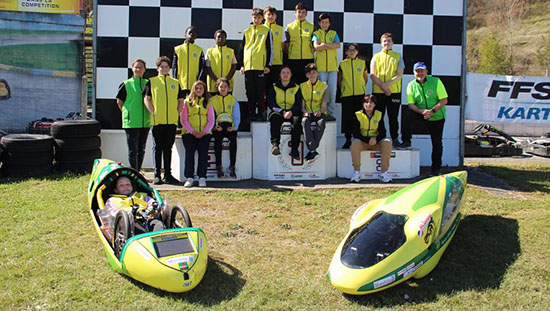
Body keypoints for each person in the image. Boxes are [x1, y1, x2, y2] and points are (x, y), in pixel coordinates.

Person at [400, 62, 448, 176]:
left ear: (426, 71)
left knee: (437, 143)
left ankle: (436, 169)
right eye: (417, 71)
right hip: (421, 113)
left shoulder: (436, 81)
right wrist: (423, 112)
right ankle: (406, 140)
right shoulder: (411, 85)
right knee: (407, 114)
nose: (420, 73)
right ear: (413, 73)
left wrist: (432, 111)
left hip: (436, 115)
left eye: (422, 71)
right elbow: (411, 104)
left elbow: (444, 100)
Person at [143, 56, 185, 185]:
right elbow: (146, 99)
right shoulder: (152, 81)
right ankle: (157, 175)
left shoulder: (176, 82)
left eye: (166, 67)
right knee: (157, 148)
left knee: (168, 148)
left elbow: (181, 100)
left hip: (171, 122)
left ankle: (168, 174)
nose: (164, 69)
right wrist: (153, 112)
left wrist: (177, 113)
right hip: (157, 121)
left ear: (169, 68)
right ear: (157, 68)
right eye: (162, 67)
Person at [115, 59, 154, 171]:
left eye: (141, 67)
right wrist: (128, 113)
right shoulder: (126, 84)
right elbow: (119, 101)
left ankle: (138, 171)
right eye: (136, 67)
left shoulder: (148, 83)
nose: (138, 69)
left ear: (144, 69)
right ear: (132, 68)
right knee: (133, 150)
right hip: (131, 122)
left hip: (145, 121)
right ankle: (134, 172)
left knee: (141, 149)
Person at [370, 32, 405, 147]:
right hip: (378, 92)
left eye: (389, 40)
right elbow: (372, 74)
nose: (387, 43)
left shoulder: (398, 56)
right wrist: (383, 87)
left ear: (393, 43)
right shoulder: (376, 56)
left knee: (393, 117)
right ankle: (381, 138)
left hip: (394, 92)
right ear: (381, 43)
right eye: (384, 41)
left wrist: (387, 85)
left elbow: (399, 74)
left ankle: (395, 138)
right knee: (378, 116)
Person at [238, 8, 273, 122]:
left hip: (260, 67)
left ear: (262, 18)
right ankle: (251, 113)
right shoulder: (246, 31)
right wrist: (242, 65)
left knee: (260, 92)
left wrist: (268, 65)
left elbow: (269, 49)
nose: (256, 20)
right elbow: (242, 49)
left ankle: (261, 113)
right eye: (254, 17)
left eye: (258, 17)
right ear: (252, 17)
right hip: (248, 67)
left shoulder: (266, 31)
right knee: (250, 91)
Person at [350, 95, 392, 183]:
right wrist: (367, 140)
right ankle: (356, 172)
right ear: (363, 104)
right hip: (363, 142)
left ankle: (384, 172)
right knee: (355, 143)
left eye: (371, 102)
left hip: (375, 142)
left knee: (387, 142)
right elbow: (355, 133)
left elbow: (383, 132)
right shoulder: (358, 115)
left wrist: (375, 139)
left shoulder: (379, 114)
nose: (368, 104)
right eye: (366, 102)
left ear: (374, 104)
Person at [180, 80, 215, 187]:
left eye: (201, 88)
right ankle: (189, 177)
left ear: (204, 90)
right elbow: (183, 119)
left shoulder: (208, 103)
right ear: (193, 90)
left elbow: (211, 119)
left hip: (205, 134)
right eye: (196, 88)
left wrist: (204, 132)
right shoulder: (187, 102)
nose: (199, 90)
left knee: (203, 155)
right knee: (189, 155)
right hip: (189, 133)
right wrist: (193, 132)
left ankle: (202, 177)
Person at [267, 65, 303, 160]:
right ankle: (275, 145)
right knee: (274, 118)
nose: (285, 74)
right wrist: (282, 111)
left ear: (291, 75)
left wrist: (291, 111)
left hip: (292, 112)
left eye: (288, 72)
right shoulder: (274, 87)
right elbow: (271, 103)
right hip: (279, 111)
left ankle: (294, 150)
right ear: (280, 75)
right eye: (283, 72)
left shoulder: (296, 87)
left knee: (297, 121)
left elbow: (298, 103)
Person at [338, 43, 369, 149]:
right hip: (347, 95)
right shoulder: (342, 64)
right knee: (347, 118)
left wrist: (360, 87)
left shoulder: (362, 63)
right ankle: (347, 139)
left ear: (357, 52)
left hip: (360, 95)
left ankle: (358, 139)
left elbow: (365, 78)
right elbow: (339, 79)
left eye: (354, 50)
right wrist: (345, 89)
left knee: (359, 117)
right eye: (349, 50)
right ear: (346, 52)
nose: (352, 52)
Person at [312, 13, 340, 121]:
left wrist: (325, 45)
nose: (324, 24)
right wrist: (329, 45)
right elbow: (316, 47)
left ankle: (330, 113)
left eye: (326, 22)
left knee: (332, 91)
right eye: (322, 22)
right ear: (319, 23)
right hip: (321, 68)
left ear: (330, 23)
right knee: (322, 91)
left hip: (332, 68)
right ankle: (322, 112)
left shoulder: (334, 33)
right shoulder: (316, 33)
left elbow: (338, 45)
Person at [210, 78, 240, 178]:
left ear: (229, 88)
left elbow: (236, 115)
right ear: (217, 87)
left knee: (233, 141)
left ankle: (232, 166)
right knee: (218, 141)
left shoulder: (233, 99)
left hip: (229, 126)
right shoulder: (212, 100)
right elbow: (210, 115)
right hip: (218, 126)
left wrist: (235, 127)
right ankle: (219, 166)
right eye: (221, 86)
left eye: (225, 86)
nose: (223, 89)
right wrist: (214, 127)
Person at [300, 63, 328, 163]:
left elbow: (324, 104)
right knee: (304, 121)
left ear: (317, 73)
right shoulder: (302, 86)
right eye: (309, 73)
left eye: (314, 73)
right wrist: (305, 112)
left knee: (321, 122)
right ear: (307, 75)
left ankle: (312, 150)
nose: (312, 75)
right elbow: (302, 106)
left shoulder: (324, 86)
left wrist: (320, 111)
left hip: (318, 112)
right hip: (308, 112)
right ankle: (313, 150)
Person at [284, 2, 314, 84]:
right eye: (299, 12)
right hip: (293, 59)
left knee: (307, 83)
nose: (301, 14)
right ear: (295, 12)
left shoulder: (311, 26)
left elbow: (314, 43)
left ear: (306, 14)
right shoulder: (289, 27)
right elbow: (286, 44)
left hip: (308, 59)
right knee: (294, 82)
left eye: (303, 12)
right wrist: (290, 52)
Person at [173, 26, 204, 96]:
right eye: (190, 33)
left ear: (196, 37)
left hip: (194, 85)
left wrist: (198, 81)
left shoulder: (199, 50)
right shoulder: (178, 49)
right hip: (181, 84)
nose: (191, 35)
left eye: (194, 34)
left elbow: (202, 68)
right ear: (185, 34)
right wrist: (175, 81)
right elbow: (174, 67)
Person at [205, 29, 237, 96]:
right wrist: (217, 81)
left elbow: (234, 67)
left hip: (227, 85)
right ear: (215, 38)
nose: (220, 39)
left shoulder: (230, 51)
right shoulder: (209, 51)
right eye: (218, 37)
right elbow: (207, 68)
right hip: (213, 84)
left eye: (222, 37)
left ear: (225, 38)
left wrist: (225, 80)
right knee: (213, 105)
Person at [264, 6, 284, 89]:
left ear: (276, 16)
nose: (270, 17)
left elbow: (283, 45)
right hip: (263, 63)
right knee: (263, 87)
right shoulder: (261, 29)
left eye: (273, 15)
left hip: (277, 62)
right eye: (268, 14)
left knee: (275, 87)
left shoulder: (280, 29)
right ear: (264, 15)